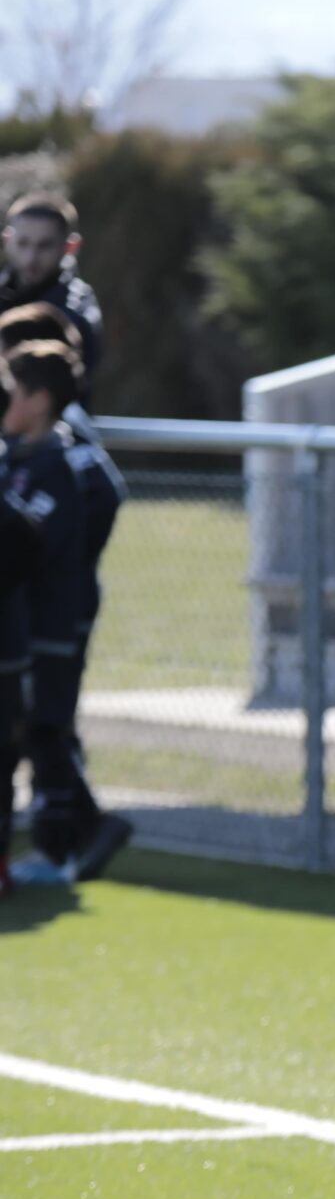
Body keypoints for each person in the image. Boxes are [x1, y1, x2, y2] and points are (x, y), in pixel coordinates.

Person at [0, 340, 114, 892]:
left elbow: (36, 548)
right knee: (34, 731)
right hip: (27, 627)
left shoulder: (57, 466)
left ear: (40, 400)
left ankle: (62, 844)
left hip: (48, 629)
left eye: (13, 393)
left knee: (45, 731)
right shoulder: (19, 457)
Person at [0, 303, 127, 787]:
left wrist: (57, 568)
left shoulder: (64, 454)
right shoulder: (21, 452)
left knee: (44, 728)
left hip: (50, 617)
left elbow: (94, 506)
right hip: (25, 617)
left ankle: (72, 833)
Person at [0, 194, 103, 391]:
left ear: (70, 247)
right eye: (23, 243)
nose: (31, 258)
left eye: (45, 245)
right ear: (7, 240)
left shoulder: (75, 312)